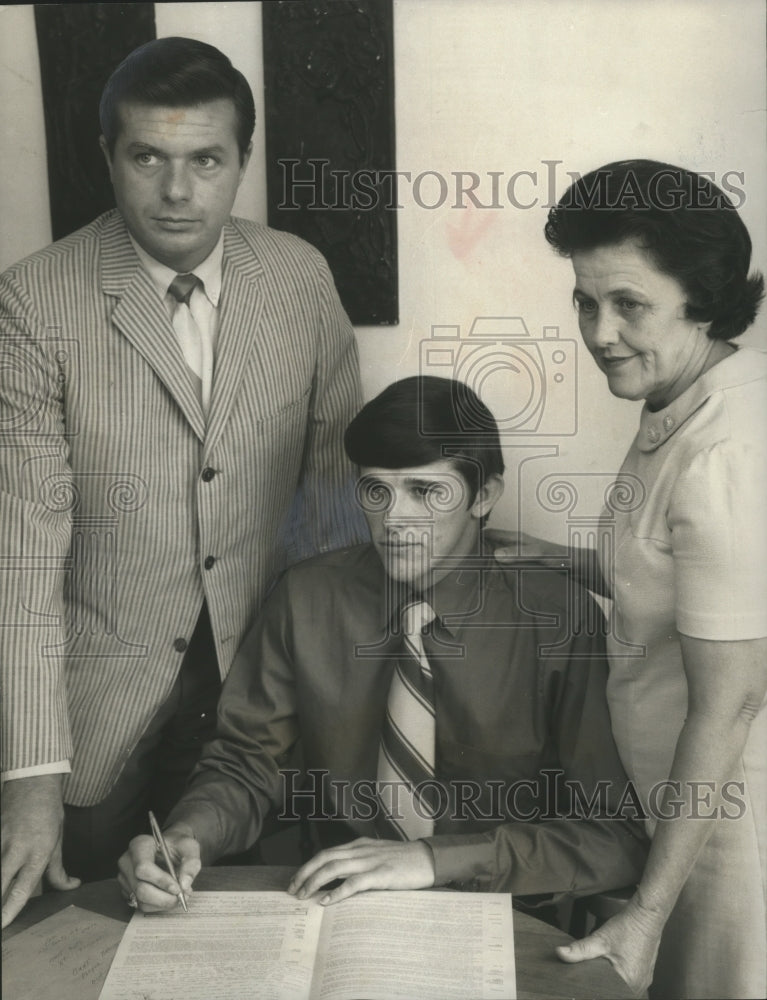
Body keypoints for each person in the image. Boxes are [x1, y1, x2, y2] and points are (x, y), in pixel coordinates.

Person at [0, 36, 364, 927]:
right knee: (77, 947)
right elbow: (20, 560)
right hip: (94, 715)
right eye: (148, 158)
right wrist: (31, 786)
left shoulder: (299, 277)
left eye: (206, 160)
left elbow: (336, 515)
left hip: (261, 707)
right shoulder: (32, 302)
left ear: (242, 160)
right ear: (107, 157)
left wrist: (336, 718)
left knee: (242, 944)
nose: (176, 191)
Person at [117, 375, 647, 916]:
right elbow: (245, 764)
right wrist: (189, 833)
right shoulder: (307, 597)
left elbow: (613, 833)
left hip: (500, 909)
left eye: (425, 491)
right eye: (377, 490)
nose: (393, 519)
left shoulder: (558, 616)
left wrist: (432, 860)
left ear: (483, 496)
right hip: (336, 905)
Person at [505, 160, 766, 998]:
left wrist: (649, 910)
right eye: (585, 301)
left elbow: (732, 700)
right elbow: (679, 585)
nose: (599, 332)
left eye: (628, 305)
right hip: (679, 812)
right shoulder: (678, 397)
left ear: (701, 296)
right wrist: (557, 558)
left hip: (729, 827)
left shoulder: (724, 451)